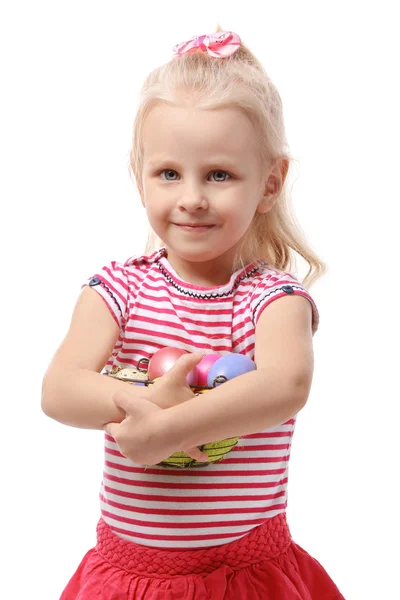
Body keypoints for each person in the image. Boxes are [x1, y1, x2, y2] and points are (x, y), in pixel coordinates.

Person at [42, 28, 345, 600]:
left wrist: (168, 431)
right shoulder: (118, 287)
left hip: (243, 577)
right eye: (169, 173)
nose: (192, 197)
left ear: (270, 183)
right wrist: (145, 404)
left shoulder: (271, 298)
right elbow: (59, 390)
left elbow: (286, 385)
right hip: (129, 575)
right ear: (139, 176)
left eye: (220, 175)